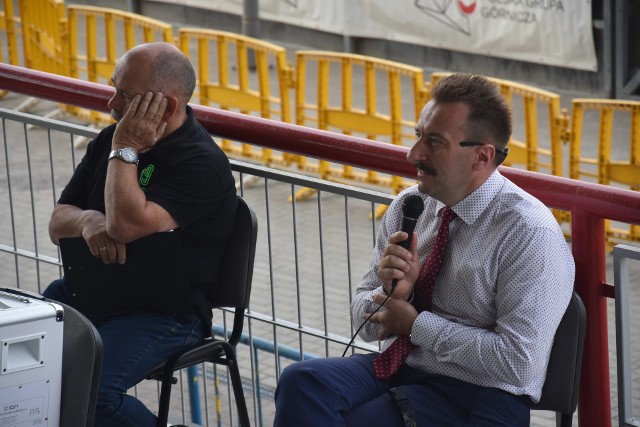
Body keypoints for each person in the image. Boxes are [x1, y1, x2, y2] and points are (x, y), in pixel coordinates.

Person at [273, 73, 575, 426]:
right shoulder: (410, 205)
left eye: (434, 141)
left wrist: (417, 325)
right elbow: (361, 319)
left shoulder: (528, 232)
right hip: (406, 365)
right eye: (418, 135)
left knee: (361, 420)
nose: (413, 153)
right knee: (302, 382)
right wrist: (392, 294)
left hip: (481, 394)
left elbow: (520, 362)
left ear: (482, 156)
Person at [43, 42, 237, 426]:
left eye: (125, 95)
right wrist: (85, 222)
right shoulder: (109, 140)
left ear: (164, 107)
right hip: (90, 289)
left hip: (165, 313)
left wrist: (127, 149)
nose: (111, 102)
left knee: (89, 395)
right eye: (114, 86)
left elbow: (125, 226)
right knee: (17, 360)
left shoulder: (200, 163)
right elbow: (57, 222)